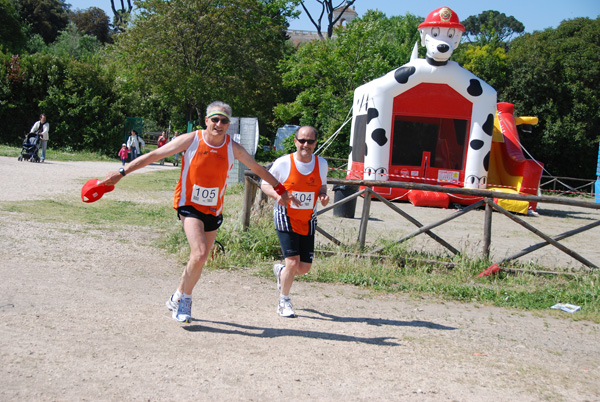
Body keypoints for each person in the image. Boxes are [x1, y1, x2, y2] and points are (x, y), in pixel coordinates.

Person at [100, 101, 298, 323]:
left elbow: (259, 169)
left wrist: (282, 190)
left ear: (228, 124)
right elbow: (153, 155)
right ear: (206, 121)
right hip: (189, 204)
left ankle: (176, 294)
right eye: (214, 119)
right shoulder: (192, 139)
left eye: (223, 121)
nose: (218, 124)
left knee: (199, 259)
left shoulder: (233, 148)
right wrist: (121, 172)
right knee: (201, 253)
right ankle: (185, 300)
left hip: (213, 209)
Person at [261, 126, 329, 317]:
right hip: (286, 216)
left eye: (310, 141)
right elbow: (264, 183)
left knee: (304, 268)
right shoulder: (283, 163)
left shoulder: (321, 163)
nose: (305, 145)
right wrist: (277, 195)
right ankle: (284, 301)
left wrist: (323, 195)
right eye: (302, 141)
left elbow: (322, 184)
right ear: (295, 141)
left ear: (316, 143)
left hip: (308, 218)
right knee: (292, 262)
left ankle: (281, 271)